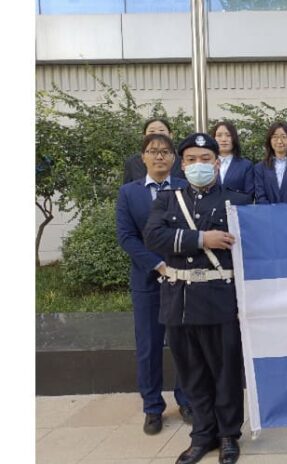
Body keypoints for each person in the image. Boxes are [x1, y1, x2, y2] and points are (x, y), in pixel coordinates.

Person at [144, 133, 251, 464]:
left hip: (220, 299)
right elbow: (153, 236)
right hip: (179, 300)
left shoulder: (238, 201)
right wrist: (203, 238)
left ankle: (228, 435)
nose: (198, 165)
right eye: (191, 160)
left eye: (205, 159)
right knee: (191, 374)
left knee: (225, 372)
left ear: (217, 163)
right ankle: (202, 435)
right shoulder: (168, 200)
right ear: (182, 164)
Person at [116, 133, 193, 435]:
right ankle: (152, 407)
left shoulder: (185, 188)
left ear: (174, 158)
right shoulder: (129, 193)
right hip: (147, 279)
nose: (159, 156)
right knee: (149, 346)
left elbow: (192, 229)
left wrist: (175, 264)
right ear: (143, 157)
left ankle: (187, 400)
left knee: (183, 343)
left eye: (165, 151)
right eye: (152, 151)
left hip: (182, 277)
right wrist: (157, 264)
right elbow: (126, 237)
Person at [123, 117, 184, 183]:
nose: (157, 133)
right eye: (152, 131)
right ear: (144, 137)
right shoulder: (133, 162)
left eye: (161, 130)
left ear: (170, 135)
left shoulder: (183, 160)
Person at [211, 121, 255, 199]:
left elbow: (249, 195)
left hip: (236, 206)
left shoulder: (246, 165)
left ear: (234, 138)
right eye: (219, 135)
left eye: (228, 135)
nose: (223, 139)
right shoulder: (207, 164)